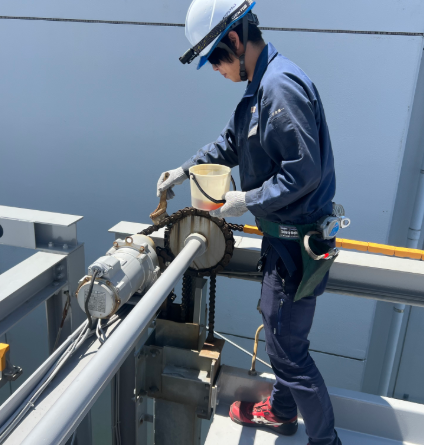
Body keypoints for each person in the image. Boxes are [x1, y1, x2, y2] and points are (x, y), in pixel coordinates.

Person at [158, 1, 341, 444]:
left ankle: (326, 441)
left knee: (289, 351)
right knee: (280, 337)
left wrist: (247, 200)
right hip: (283, 240)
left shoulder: (279, 88)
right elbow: (230, 144)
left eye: (215, 59)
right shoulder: (259, 88)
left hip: (297, 245)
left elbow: (304, 173)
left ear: (236, 41)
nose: (215, 70)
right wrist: (184, 170)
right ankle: (281, 411)